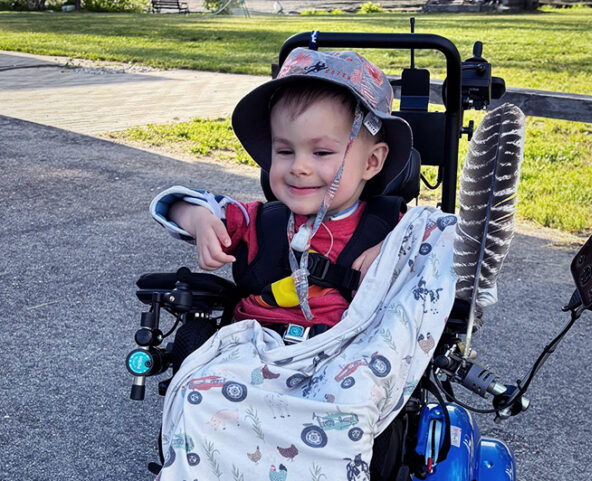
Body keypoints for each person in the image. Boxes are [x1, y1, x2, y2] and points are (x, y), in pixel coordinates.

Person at [151, 47, 414, 344]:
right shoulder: (260, 223)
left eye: (322, 152)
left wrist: (399, 247)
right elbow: (174, 204)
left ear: (371, 162)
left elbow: (451, 247)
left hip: (347, 363)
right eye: (285, 151)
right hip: (252, 357)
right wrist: (197, 218)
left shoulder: (393, 227)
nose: (299, 167)